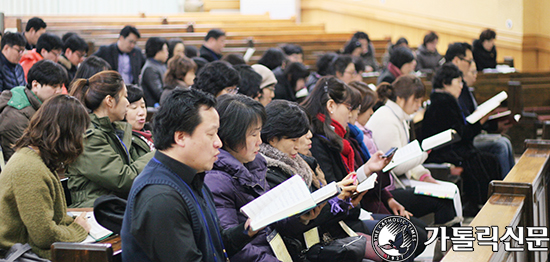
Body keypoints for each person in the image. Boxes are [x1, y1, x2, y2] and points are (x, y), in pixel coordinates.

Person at [121, 88, 257, 262]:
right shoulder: (160, 197)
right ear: (180, 137)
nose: (219, 142)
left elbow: (212, 246)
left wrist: (246, 230)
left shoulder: (193, 177)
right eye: (210, 134)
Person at [301, 76, 428, 259]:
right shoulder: (320, 141)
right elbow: (334, 190)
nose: (351, 114)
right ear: (331, 106)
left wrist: (368, 169)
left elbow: (345, 183)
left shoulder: (336, 136)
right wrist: (357, 200)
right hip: (338, 222)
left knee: (415, 235)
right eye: (349, 108)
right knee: (409, 240)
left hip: (351, 211)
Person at [0, 94, 91, 259]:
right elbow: (44, 237)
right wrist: (78, 229)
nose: (81, 140)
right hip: (21, 254)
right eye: (80, 133)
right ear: (67, 134)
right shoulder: (29, 169)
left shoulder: (36, 158)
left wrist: (74, 222)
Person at [422, 63, 502, 215]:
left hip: (451, 147)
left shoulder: (443, 100)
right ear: (445, 83)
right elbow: (462, 135)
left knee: (489, 160)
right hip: (444, 152)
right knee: (487, 161)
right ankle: (483, 205)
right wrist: (481, 121)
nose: (461, 86)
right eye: (458, 82)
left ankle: (484, 203)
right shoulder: (444, 103)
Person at [66, 71, 154, 207]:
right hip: (95, 210)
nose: (127, 103)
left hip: (112, 204)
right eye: (125, 97)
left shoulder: (112, 130)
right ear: (110, 101)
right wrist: (160, 153)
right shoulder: (89, 137)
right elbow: (123, 179)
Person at [446, 42, 515, 177]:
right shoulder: (450, 85)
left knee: (504, 141)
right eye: (469, 61)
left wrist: (493, 123)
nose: (471, 64)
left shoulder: (462, 86)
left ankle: (513, 183)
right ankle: (504, 187)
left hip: (471, 134)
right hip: (462, 141)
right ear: (456, 61)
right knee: (500, 145)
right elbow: (464, 122)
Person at [0, 60, 66, 161]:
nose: (59, 91)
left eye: (61, 86)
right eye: (54, 86)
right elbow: (20, 159)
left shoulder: (45, 106)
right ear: (35, 85)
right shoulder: (16, 116)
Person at [125, 85, 153, 159]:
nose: (141, 112)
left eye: (143, 107)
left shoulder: (153, 132)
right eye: (134, 108)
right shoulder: (125, 141)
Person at [140, 37, 169, 107]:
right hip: (154, 107)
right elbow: (159, 93)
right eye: (165, 50)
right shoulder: (150, 68)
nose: (167, 53)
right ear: (157, 51)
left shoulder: (161, 65)